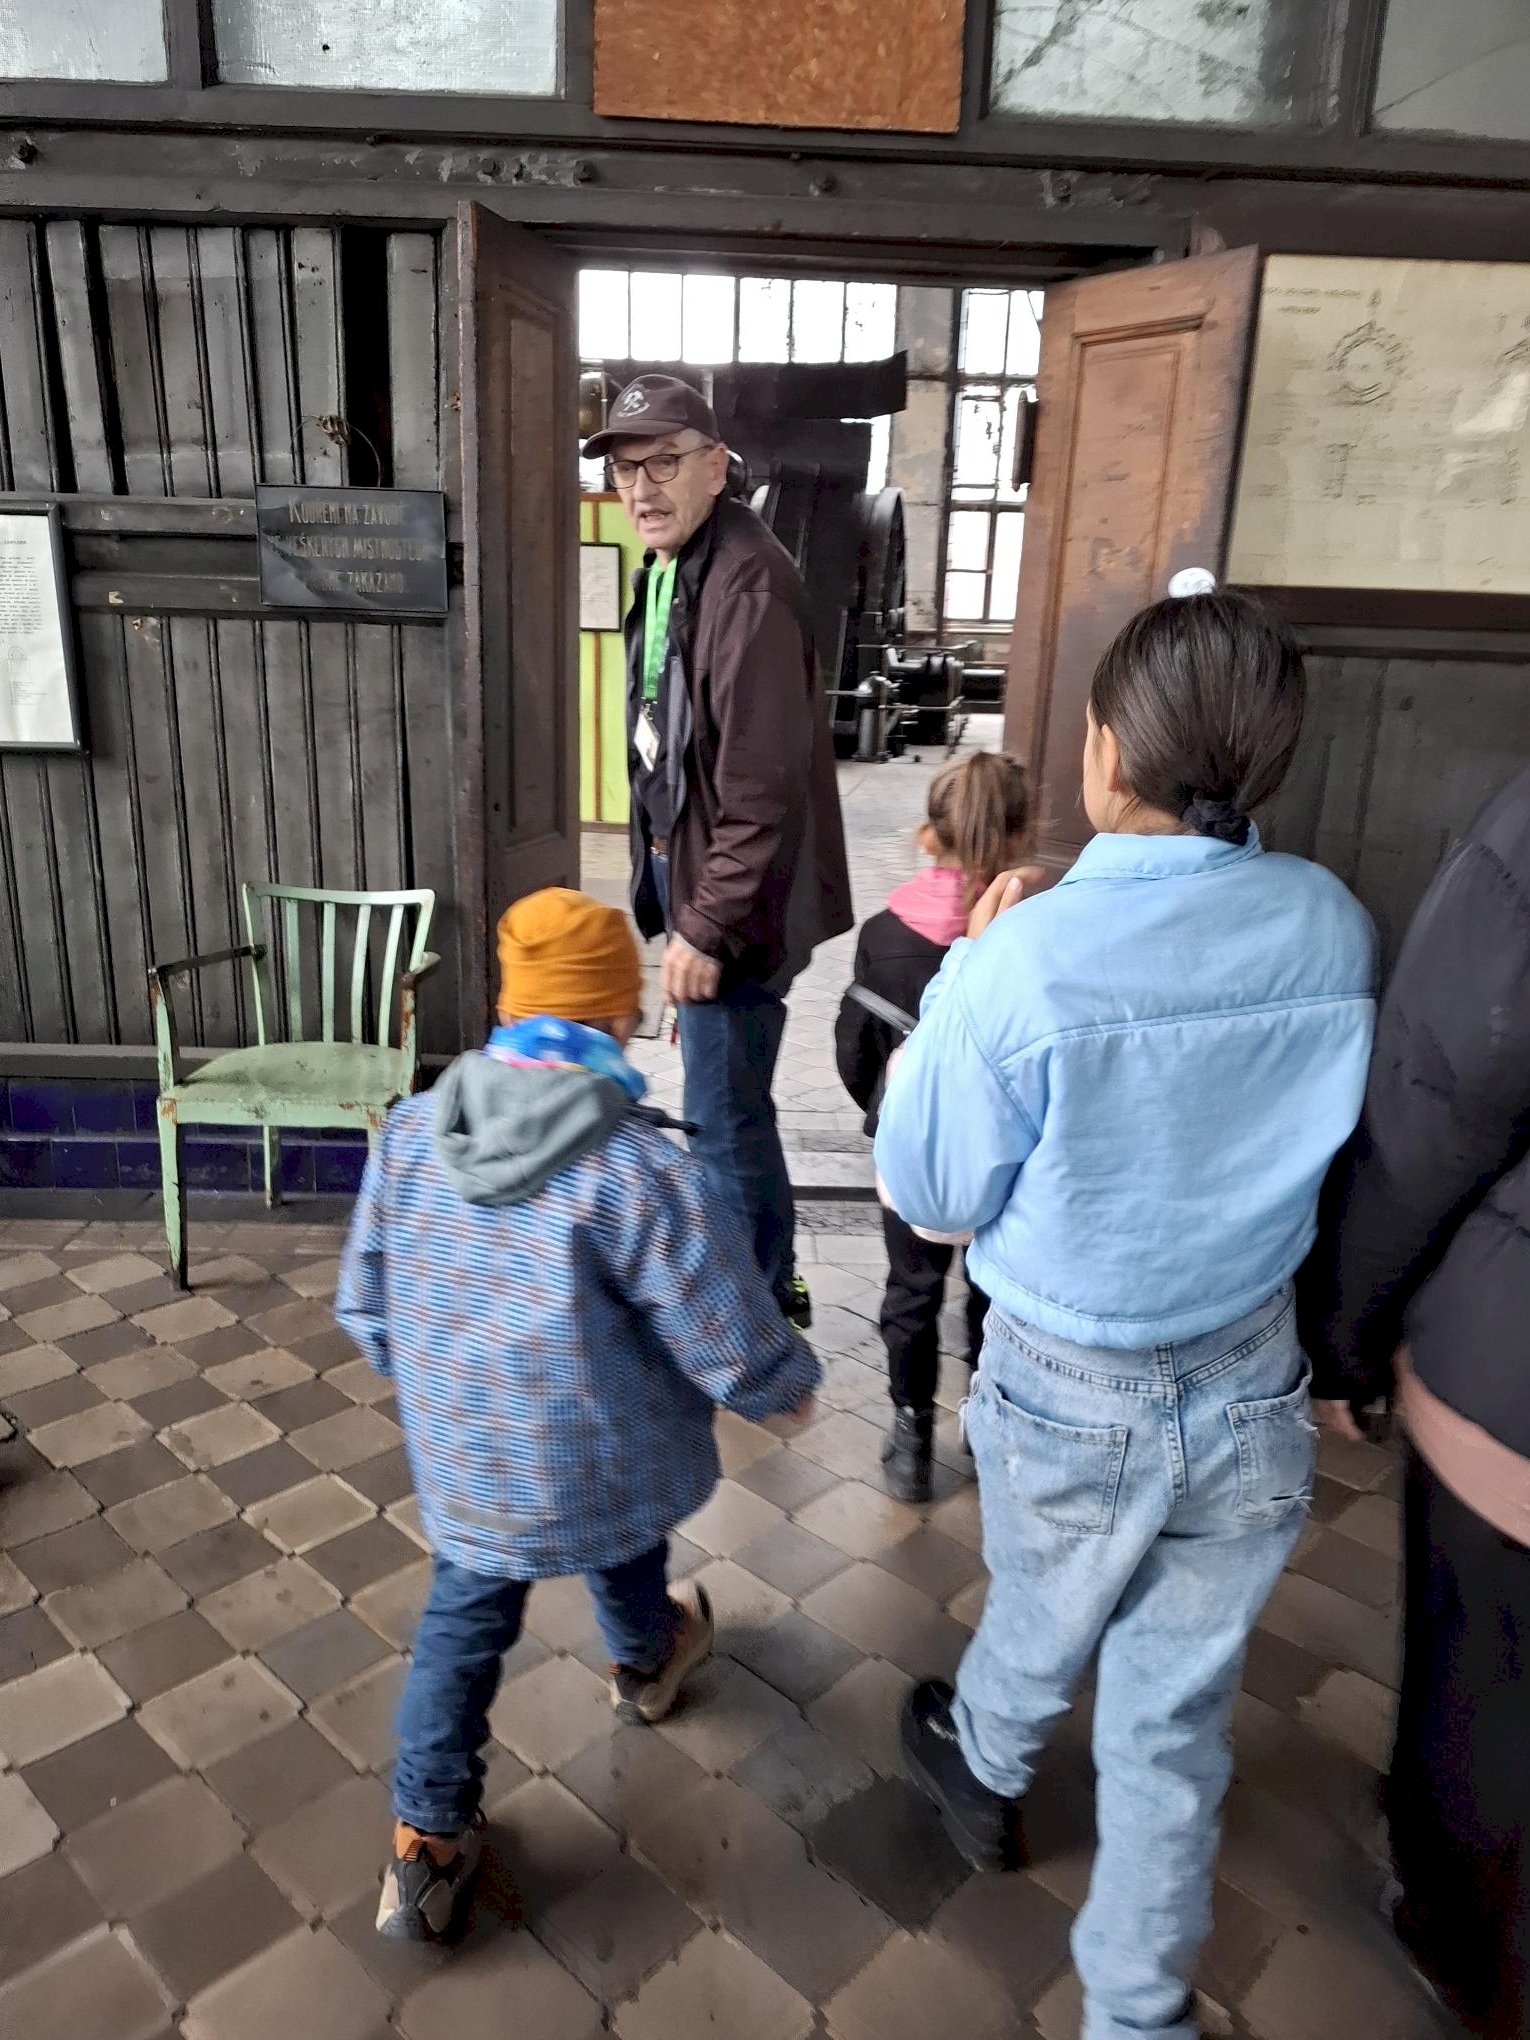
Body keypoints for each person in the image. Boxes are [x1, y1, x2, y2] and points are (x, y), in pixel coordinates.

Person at [875, 590, 1378, 2040]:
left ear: (1104, 752)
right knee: (1175, 1717)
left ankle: (984, 1764)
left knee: (1045, 1601)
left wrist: (969, 971)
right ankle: (1138, 2018)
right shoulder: (1333, 927)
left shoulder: (1021, 960)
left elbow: (932, 1194)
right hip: (1249, 1370)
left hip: (1066, 1381)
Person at [335, 887, 819, 1945]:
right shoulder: (640, 1168)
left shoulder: (412, 1134)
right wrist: (782, 1388)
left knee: (463, 1625)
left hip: (473, 1467)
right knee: (625, 1533)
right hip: (608, 1451)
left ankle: (426, 1844)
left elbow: (365, 1302)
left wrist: (440, 1391)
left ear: (508, 1009)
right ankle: (646, 1657)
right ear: (616, 1018)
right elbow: (717, 1319)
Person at [1300, 768, 1530, 2039]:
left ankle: (1461, 1944)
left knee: (1483, 1682)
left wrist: (1344, 1337)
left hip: (1512, 1387)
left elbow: (1439, 1104)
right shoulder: (1318, 923)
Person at [582, 374, 853, 1331]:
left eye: (663, 463)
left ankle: (754, 1307)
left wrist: (702, 926)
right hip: (695, 875)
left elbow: (760, 790)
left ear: (715, 466)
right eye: (625, 470)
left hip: (736, 902)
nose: (641, 489)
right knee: (727, 1098)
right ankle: (763, 1278)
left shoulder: (748, 585)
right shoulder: (674, 567)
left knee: (724, 1115)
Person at [834, 750, 1038, 1502]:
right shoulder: (1034, 933)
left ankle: (911, 1436)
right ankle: (987, 1429)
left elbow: (854, 1045)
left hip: (915, 1154)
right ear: (1019, 837)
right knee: (996, 1293)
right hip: (1014, 1161)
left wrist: (885, 1113)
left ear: (929, 835)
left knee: (911, 1289)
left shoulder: (884, 933)